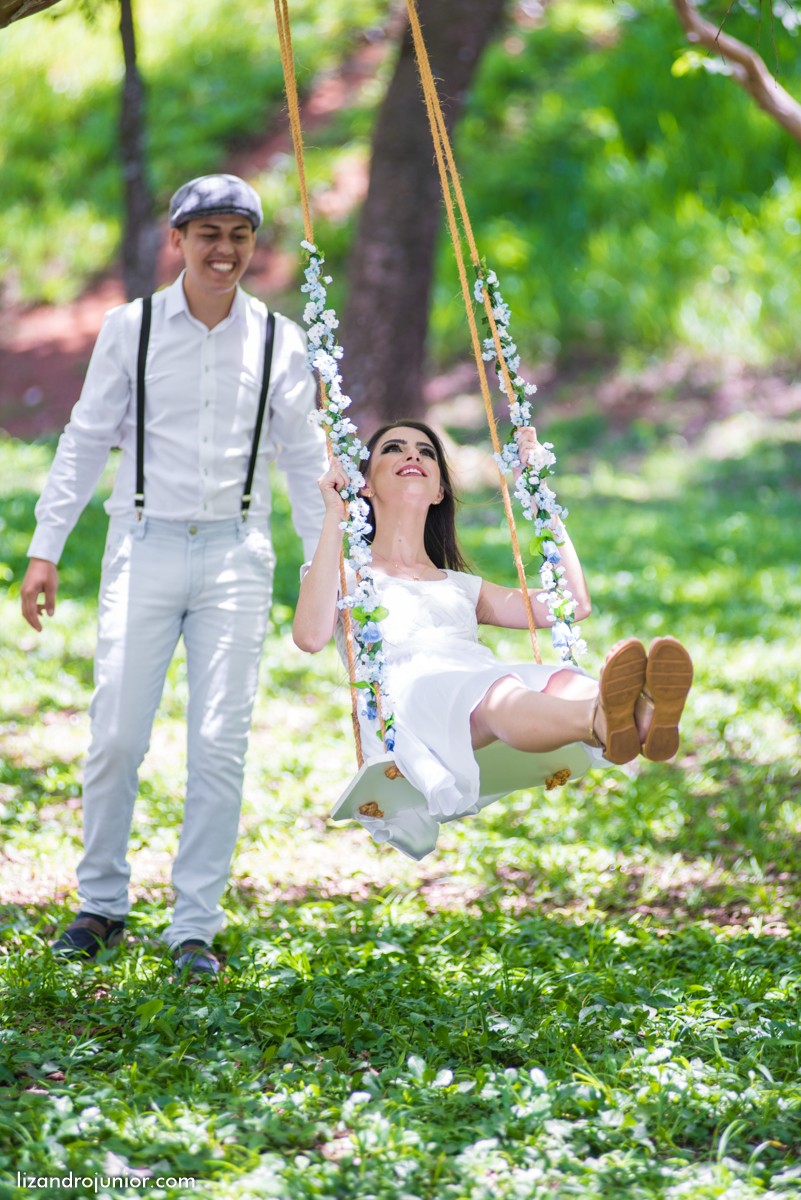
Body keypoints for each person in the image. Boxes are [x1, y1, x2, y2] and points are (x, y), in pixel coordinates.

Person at [20, 174, 327, 976]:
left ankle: (193, 925)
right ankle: (102, 905)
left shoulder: (279, 339)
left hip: (237, 553)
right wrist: (44, 548)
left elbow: (304, 458)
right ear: (178, 240)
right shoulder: (133, 329)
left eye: (238, 235)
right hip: (143, 543)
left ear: (253, 245)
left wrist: (326, 570)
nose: (223, 251)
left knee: (218, 743)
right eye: (208, 235)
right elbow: (86, 438)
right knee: (117, 732)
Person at [293, 420, 693, 846]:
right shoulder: (344, 574)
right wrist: (335, 517)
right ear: (365, 485)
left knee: (558, 680)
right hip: (411, 702)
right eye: (394, 448)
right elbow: (310, 637)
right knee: (500, 693)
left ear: (439, 491)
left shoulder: (461, 586)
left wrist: (540, 496)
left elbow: (572, 605)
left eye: (426, 452)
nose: (413, 455)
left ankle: (645, 719)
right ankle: (602, 719)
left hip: (475, 681)